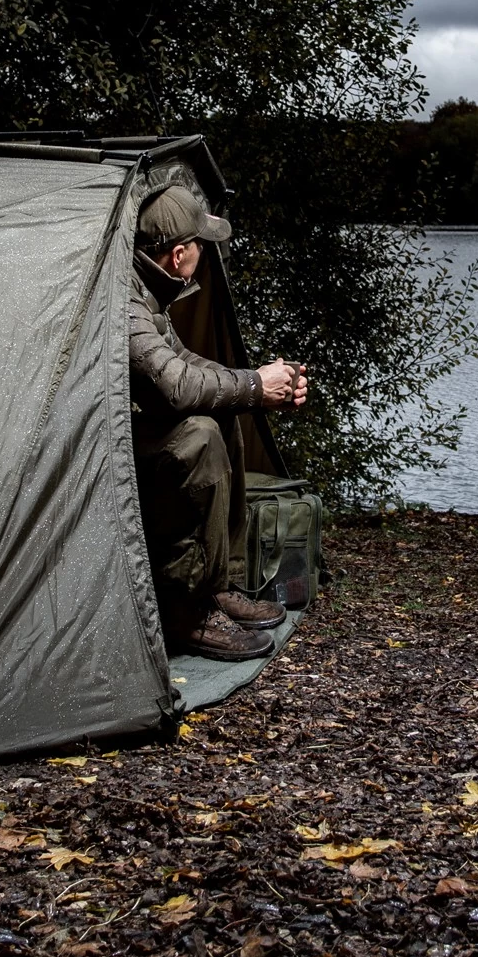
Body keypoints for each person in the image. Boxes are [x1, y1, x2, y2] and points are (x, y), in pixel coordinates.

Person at [129, 184, 309, 661]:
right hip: (103, 453)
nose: (205, 254)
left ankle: (217, 584)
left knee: (221, 415)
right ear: (179, 255)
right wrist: (254, 385)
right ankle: (187, 611)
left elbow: (183, 361)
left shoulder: (148, 291)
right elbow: (174, 385)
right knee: (200, 434)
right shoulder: (126, 303)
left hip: (128, 434)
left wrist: (260, 386)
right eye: (201, 245)